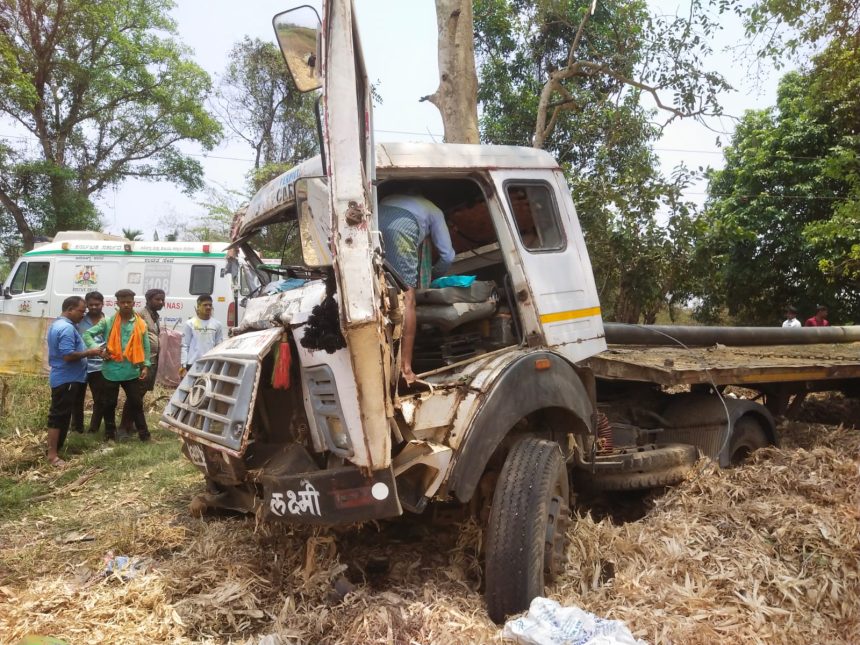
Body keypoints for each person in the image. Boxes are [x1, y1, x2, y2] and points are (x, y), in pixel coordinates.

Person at [378, 192, 455, 384]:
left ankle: (383, 362)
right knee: (408, 298)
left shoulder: (395, 198)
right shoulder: (435, 211)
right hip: (401, 227)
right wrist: (433, 277)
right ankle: (406, 369)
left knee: (381, 292)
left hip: (375, 219)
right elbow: (447, 256)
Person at [83, 289, 151, 441]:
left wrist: (145, 366)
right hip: (110, 370)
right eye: (123, 302)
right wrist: (99, 351)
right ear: (117, 303)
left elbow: (146, 347)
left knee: (136, 403)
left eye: (129, 302)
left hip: (132, 370)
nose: (126, 305)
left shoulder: (140, 323)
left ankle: (144, 435)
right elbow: (87, 334)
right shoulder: (108, 321)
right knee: (109, 403)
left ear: (134, 303)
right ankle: (110, 435)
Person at [46, 296, 104, 466]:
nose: (83, 314)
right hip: (66, 379)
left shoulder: (59, 324)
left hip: (67, 378)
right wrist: (89, 352)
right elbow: (68, 355)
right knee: (58, 416)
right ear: (70, 309)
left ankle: (58, 449)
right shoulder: (66, 329)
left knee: (63, 416)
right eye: (81, 311)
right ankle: (52, 456)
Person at [119, 288, 164, 434]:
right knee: (135, 395)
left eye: (162, 299)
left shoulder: (154, 315)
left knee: (140, 394)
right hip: (142, 361)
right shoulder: (140, 315)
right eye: (157, 299)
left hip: (152, 360)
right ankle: (124, 427)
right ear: (148, 300)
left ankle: (130, 424)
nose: (161, 302)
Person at [72, 291, 107, 434]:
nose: (93, 307)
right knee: (77, 398)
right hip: (80, 364)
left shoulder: (108, 321)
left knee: (99, 399)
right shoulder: (79, 320)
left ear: (102, 304)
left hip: (99, 365)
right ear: (86, 305)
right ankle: (76, 428)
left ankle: (94, 429)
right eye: (90, 304)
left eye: (97, 304)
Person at [180, 294, 224, 377]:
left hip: (210, 364)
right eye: (205, 305)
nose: (208, 307)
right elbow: (185, 346)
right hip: (193, 364)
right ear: (198, 307)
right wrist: (183, 367)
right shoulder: (190, 323)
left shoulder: (217, 324)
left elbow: (219, 346)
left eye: (210, 305)